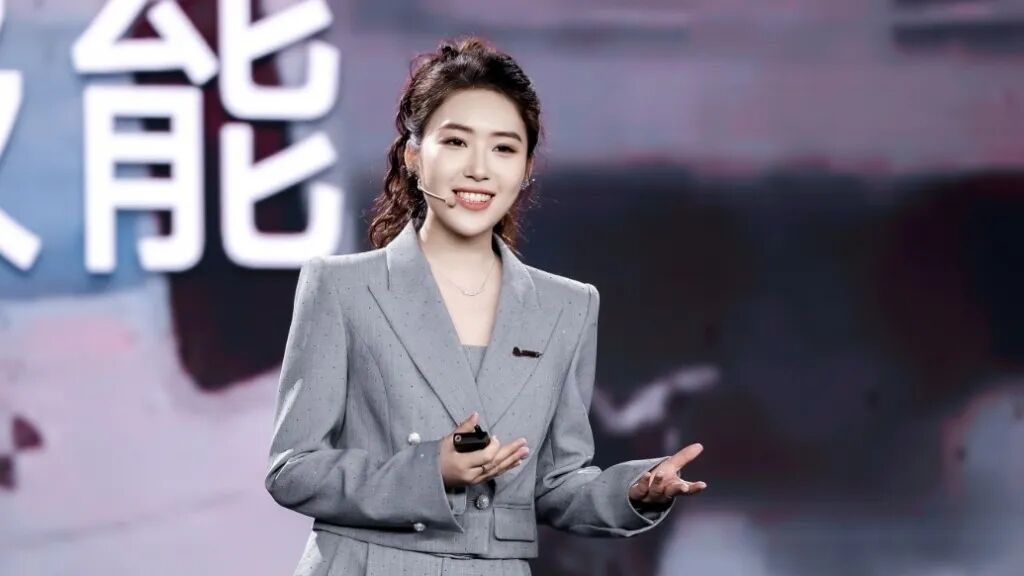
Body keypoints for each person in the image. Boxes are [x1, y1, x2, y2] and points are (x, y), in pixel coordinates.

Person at [265, 36, 708, 576]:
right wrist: (429, 471)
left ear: (526, 169)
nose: (479, 169)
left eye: (503, 148)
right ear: (412, 155)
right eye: (456, 142)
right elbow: (293, 468)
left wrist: (634, 491)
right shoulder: (342, 287)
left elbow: (555, 484)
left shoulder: (567, 307)